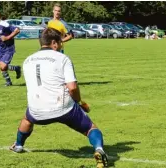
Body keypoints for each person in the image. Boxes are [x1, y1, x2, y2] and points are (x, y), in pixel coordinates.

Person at [9, 28, 108, 168]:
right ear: (54, 43)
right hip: (62, 108)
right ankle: (99, 149)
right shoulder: (62, 58)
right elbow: (72, 87)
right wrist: (79, 102)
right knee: (91, 128)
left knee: (26, 119)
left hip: (36, 109)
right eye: (60, 42)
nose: (61, 45)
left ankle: (18, 145)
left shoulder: (27, 60)